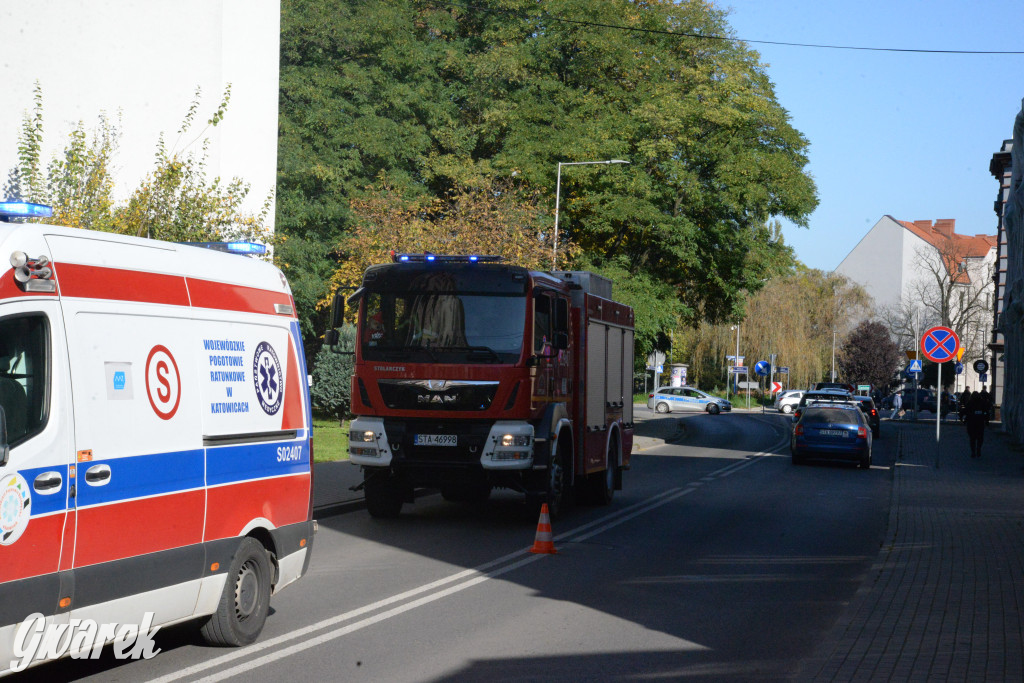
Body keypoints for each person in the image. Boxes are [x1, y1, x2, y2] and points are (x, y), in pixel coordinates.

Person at [965, 388, 990, 458]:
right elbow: (986, 412)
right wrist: (987, 421)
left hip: (971, 424)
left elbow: (966, 412)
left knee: (972, 439)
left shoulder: (970, 403)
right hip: (980, 423)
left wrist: (965, 420)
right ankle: (978, 449)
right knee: (980, 438)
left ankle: (973, 452)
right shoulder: (982, 403)